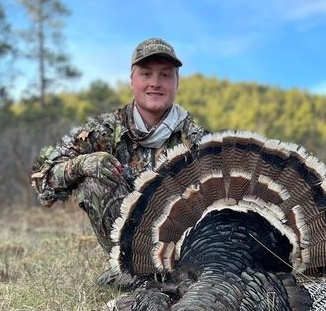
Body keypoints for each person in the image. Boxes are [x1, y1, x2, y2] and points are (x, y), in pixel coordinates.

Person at [31, 38, 208, 287]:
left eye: (165, 75)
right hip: (130, 253)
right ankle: (132, 272)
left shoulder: (197, 139)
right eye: (146, 74)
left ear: (176, 83)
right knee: (93, 179)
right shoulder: (105, 129)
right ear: (132, 81)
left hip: (184, 252)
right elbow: (43, 179)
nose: (155, 83)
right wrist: (82, 164)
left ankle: (179, 277)